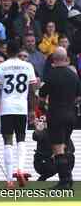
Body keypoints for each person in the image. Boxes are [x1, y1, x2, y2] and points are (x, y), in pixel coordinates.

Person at [0, 40, 37, 189]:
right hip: (21, 107)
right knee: (22, 139)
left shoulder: (0, 67)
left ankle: (10, 179)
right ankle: (21, 169)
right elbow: (32, 90)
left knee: (8, 141)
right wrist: (31, 110)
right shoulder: (28, 66)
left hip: (6, 108)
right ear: (19, 51)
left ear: (6, 51)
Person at [39, 47, 81, 189]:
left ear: (54, 59)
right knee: (64, 146)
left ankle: (65, 181)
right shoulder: (74, 75)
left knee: (57, 149)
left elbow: (42, 96)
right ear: (66, 58)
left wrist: (43, 107)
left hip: (56, 115)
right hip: (71, 115)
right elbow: (78, 97)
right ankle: (68, 178)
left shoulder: (51, 75)